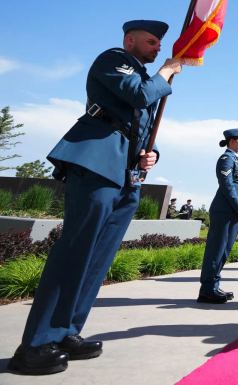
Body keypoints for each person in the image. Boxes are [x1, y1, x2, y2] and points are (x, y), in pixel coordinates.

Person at [9, 20, 181, 376]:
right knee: (76, 250)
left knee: (98, 258)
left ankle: (66, 331)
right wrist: (166, 72)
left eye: (159, 44)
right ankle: (36, 344)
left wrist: (151, 155)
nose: (158, 48)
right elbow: (139, 96)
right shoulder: (114, 59)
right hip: (97, 161)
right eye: (152, 42)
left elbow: (139, 125)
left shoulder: (144, 76)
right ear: (130, 40)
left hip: (126, 171)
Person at [198, 129, 238, 304]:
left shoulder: (236, 159)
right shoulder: (226, 158)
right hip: (224, 210)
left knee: (224, 251)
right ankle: (207, 290)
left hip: (232, 211)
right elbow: (226, 185)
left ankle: (214, 285)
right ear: (231, 141)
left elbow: (236, 184)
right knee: (216, 250)